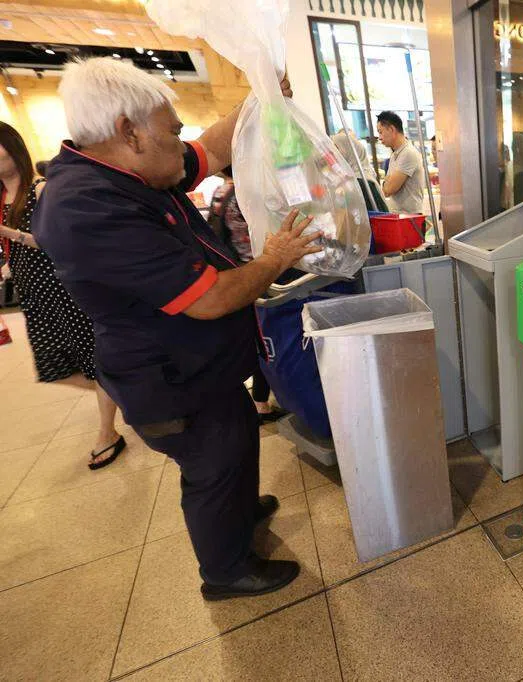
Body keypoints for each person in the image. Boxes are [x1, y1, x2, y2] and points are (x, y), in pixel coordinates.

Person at [33, 57, 321, 600]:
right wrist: (274, 258)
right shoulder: (87, 207)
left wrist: (259, 99)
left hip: (205, 368)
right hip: (168, 380)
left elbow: (209, 149)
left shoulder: (137, 167)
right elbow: (209, 299)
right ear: (130, 133)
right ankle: (226, 571)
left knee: (235, 439)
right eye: (172, 131)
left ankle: (240, 512)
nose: (180, 141)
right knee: (212, 466)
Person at [0, 122, 126, 469]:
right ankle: (130, 389)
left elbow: (57, 241)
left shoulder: (40, 189)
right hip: (33, 295)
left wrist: (10, 233)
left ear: (13, 147)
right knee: (53, 367)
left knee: (92, 360)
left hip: (61, 289)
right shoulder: (3, 198)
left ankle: (107, 433)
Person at [208, 165, 285, 423]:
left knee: (255, 336)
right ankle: (262, 402)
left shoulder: (220, 192)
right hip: (254, 272)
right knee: (265, 337)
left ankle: (260, 398)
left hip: (233, 271)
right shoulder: (245, 194)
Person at [376, 110, 424, 215]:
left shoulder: (408, 153)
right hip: (400, 215)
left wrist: (387, 183)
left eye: (380, 132)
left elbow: (388, 189)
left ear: (392, 129)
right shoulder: (395, 154)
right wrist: (387, 183)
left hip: (411, 218)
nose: (379, 137)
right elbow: (386, 186)